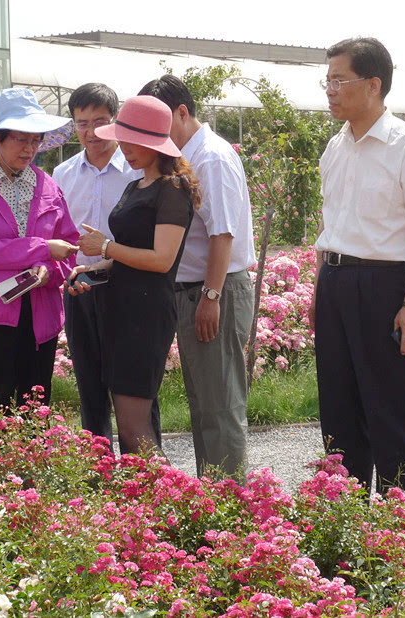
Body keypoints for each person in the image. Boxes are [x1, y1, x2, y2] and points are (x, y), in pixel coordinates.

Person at [309, 37, 405, 493]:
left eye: (339, 80)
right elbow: (331, 226)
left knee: (387, 410)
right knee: (337, 410)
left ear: (373, 85)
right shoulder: (336, 147)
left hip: (384, 287)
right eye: (326, 80)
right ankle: (346, 521)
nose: (329, 90)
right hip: (335, 281)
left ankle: (400, 529)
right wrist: (319, 290)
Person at [138, 75, 256, 479]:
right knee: (204, 402)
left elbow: (224, 233)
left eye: (158, 122)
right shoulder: (185, 155)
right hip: (191, 291)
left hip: (212, 290)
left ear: (182, 113)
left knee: (220, 406)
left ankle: (231, 506)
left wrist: (211, 296)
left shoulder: (212, 157)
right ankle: (213, 499)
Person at [70, 95, 198, 455]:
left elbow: (161, 260)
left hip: (145, 314)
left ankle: (172, 502)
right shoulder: (135, 185)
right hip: (120, 308)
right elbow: (129, 253)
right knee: (128, 422)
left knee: (133, 423)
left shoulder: (173, 189)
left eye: (133, 142)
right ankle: (148, 502)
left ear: (156, 143)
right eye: (122, 140)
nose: (124, 149)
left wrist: (106, 248)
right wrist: (93, 268)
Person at [52, 83, 161, 451]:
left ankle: (144, 475)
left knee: (136, 387)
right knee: (89, 384)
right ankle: (98, 477)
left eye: (100, 121)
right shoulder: (63, 174)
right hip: (80, 287)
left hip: (128, 288)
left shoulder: (136, 169)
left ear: (115, 123)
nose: (91, 131)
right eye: (81, 123)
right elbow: (58, 232)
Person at [0, 88, 79, 409]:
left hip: (42, 313)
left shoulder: (48, 184)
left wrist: (49, 270)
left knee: (36, 406)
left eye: (35, 140)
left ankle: (33, 462)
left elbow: (69, 247)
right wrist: (42, 249)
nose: (30, 149)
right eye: (21, 140)